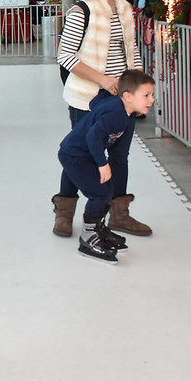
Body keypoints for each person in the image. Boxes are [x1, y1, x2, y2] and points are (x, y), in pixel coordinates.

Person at [53, 0, 150, 240]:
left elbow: (131, 50)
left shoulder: (125, 9)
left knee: (120, 157)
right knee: (81, 155)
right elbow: (66, 56)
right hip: (88, 99)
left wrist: (140, 86)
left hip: (124, 99)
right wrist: (104, 80)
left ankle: (119, 214)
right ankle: (65, 212)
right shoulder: (82, 11)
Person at [58, 70, 155, 263]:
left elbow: (95, 103)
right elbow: (92, 137)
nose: (151, 100)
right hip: (75, 156)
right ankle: (88, 238)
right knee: (100, 193)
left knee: (107, 190)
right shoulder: (117, 116)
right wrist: (103, 164)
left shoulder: (120, 108)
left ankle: (98, 227)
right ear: (127, 96)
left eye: (151, 95)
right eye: (146, 95)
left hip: (82, 154)